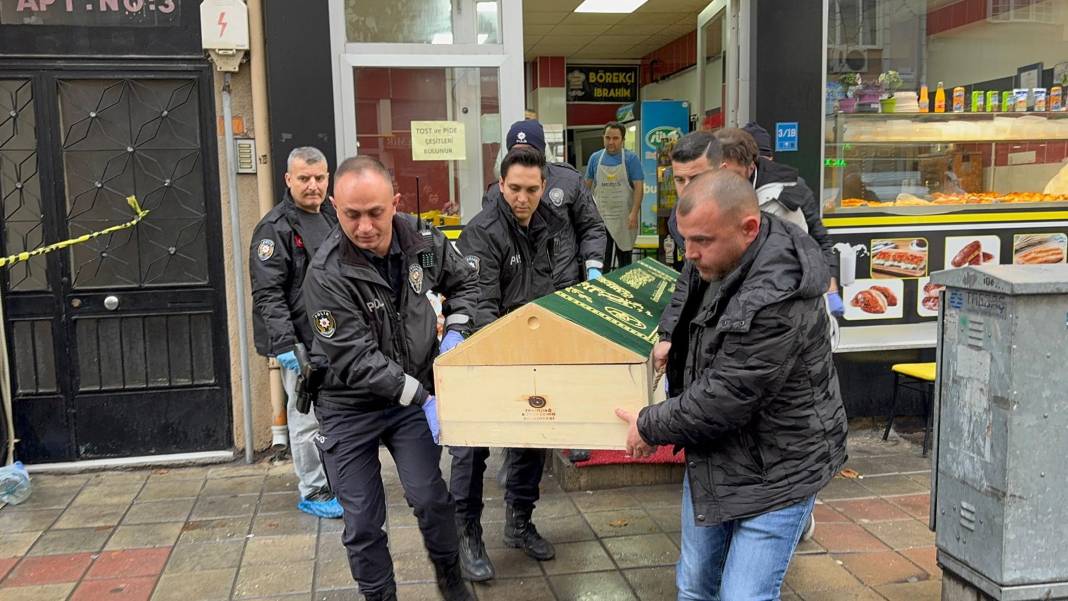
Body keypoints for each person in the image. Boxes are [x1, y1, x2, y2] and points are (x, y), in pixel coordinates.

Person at [616, 170, 848, 600]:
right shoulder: (722, 251)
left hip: (779, 466)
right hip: (717, 453)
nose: (689, 254)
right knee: (695, 586)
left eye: (701, 241)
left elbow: (727, 394)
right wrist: (670, 336)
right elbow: (686, 291)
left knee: (744, 596)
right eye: (685, 239)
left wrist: (649, 425)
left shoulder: (776, 294)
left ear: (749, 228)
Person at [302, 156, 478, 601]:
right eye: (351, 214)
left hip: (408, 401)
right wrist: (424, 398)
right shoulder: (325, 273)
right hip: (348, 406)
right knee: (362, 522)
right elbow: (355, 359)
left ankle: (451, 580)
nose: (364, 227)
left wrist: (455, 332)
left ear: (395, 203)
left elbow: (467, 284)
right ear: (334, 207)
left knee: (432, 500)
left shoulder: (421, 239)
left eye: (375, 213)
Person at [450, 146, 564, 582]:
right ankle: (468, 532)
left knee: (533, 437)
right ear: (501, 185)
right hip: (488, 353)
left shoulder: (551, 226)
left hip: (533, 350)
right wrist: (509, 351)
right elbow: (481, 304)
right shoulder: (482, 232)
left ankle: (519, 521)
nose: (522, 197)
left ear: (543, 187)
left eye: (531, 189)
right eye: (514, 188)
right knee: (471, 448)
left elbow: (559, 285)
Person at [249, 146, 343, 519]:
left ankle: (337, 479)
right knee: (306, 418)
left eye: (320, 178)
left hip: (336, 339)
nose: (313, 186)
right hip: (301, 344)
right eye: (304, 178)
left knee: (336, 415)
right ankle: (315, 490)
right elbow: (268, 294)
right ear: (288, 179)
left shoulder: (335, 216)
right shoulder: (274, 229)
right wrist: (287, 345)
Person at [716, 126, 844, 315]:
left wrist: (829, 283)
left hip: (779, 299)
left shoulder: (789, 192)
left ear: (751, 165)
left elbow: (817, 238)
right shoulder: (713, 188)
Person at [496, 119, 606, 287]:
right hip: (518, 290)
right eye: (516, 151)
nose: (523, 157)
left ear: (541, 151)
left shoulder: (568, 181)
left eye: (530, 150)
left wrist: (593, 266)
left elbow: (591, 226)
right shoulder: (499, 190)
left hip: (563, 285)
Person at [585, 121, 645, 270]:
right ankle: (603, 291)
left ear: (623, 140)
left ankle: (624, 292)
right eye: (607, 137)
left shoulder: (631, 159)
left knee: (625, 262)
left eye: (615, 138)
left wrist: (634, 213)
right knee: (601, 260)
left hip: (625, 218)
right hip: (601, 217)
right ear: (603, 138)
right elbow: (586, 188)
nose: (611, 142)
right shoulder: (595, 158)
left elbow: (638, 188)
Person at [665, 131, 724, 253]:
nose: (688, 189)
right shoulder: (675, 221)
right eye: (680, 180)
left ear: (722, 173)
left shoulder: (741, 221)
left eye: (696, 178)